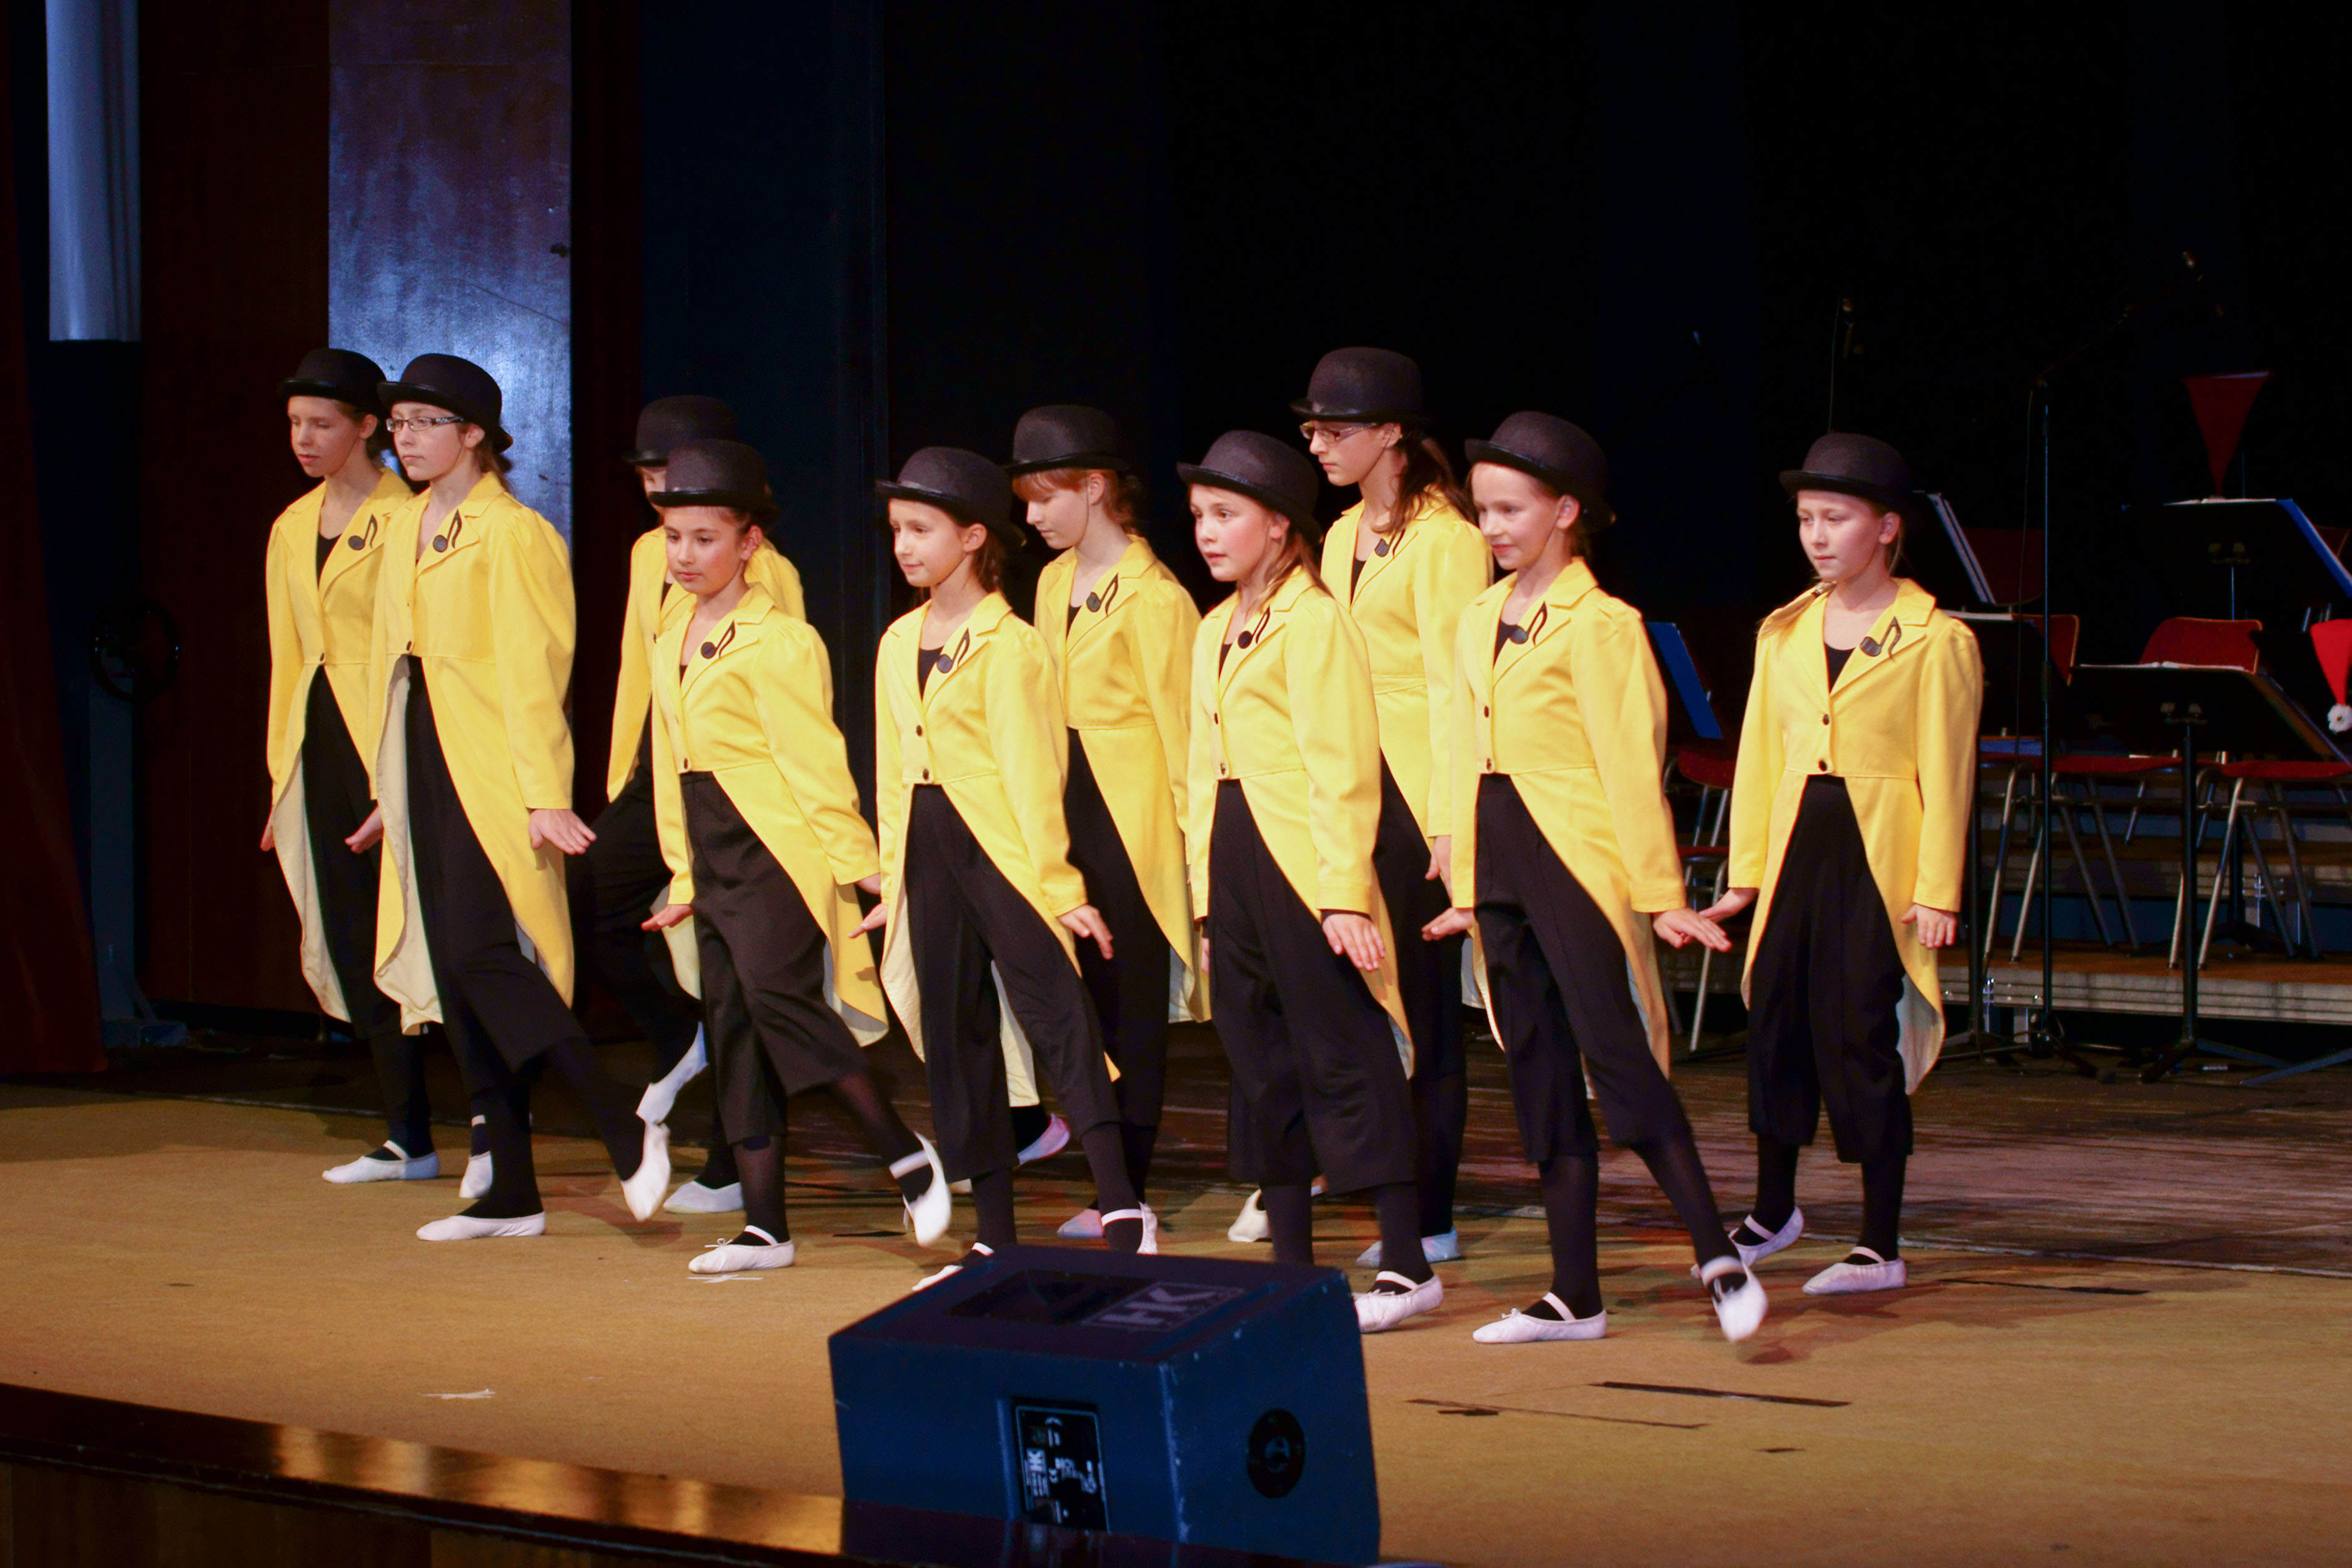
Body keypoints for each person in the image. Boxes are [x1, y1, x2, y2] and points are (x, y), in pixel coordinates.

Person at [1424, 413, 1765, 1344]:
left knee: (1615, 1055)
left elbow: (1631, 766)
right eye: (1483, 509)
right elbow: (1456, 743)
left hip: (1573, 856)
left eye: (1510, 508)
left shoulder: (1603, 624)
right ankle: (1574, 1292)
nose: (1492, 527)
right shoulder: (1475, 617)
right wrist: (1462, 880)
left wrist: (1660, 897)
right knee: (1535, 1068)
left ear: (1566, 511)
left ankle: (1716, 1253)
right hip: (1499, 856)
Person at [363, 354, 670, 1240]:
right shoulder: (406, 522)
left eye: (425, 422)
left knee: (481, 955)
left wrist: (542, 791)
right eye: (399, 423)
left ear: (473, 435)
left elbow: (539, 669)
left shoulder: (513, 531)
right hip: (422, 752)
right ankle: (511, 1189)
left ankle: (620, 1125)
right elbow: (392, 661)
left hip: (492, 761)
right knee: (455, 971)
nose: (406, 438)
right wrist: (389, 785)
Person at [637, 440, 948, 1273]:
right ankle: (765, 1225)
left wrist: (862, 866)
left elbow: (817, 766)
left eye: (706, 538)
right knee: (734, 1031)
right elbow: (672, 768)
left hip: (775, 851)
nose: (685, 554)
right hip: (713, 856)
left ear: (750, 543)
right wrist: (682, 874)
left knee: (783, 1006)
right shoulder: (669, 635)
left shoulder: (780, 640)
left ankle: (906, 1153)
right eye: (674, 537)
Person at [1699, 434, 1983, 1295]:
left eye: (1836, 518)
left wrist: (1937, 890)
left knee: (1857, 1030)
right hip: (1799, 839)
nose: (1817, 536)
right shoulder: (1785, 630)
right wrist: (1747, 872)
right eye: (1805, 519)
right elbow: (1760, 755)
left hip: (1875, 847)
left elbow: (1949, 771)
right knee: (1776, 1017)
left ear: (1887, 527)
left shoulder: (1935, 638)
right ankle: (1772, 1208)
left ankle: (1878, 1241)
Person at [856, 446, 1148, 1285]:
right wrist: (893, 878)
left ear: (974, 536)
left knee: (1059, 1016)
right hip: (927, 848)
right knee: (956, 1035)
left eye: (921, 529)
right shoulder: (897, 640)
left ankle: (1123, 1206)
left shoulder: (1012, 645)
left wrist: (1058, 886)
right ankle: (994, 1234)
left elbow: (1034, 777)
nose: (904, 546)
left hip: (1000, 848)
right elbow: (891, 773)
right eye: (897, 531)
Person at [1182, 430, 1436, 1333]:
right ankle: (1290, 1268)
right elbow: (1199, 772)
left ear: (1279, 525)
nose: (1207, 532)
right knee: (1261, 1063)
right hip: (1234, 859)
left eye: (1226, 514)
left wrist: (1342, 893)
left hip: (1303, 864)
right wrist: (1204, 904)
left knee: (1346, 1053)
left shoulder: (1316, 619)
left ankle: (1407, 1262)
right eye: (1200, 516)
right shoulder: (1213, 627)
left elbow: (1343, 767)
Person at [580, 395, 806, 1216]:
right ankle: (681, 1036)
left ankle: (730, 1163)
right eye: (646, 474)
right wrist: (623, 778)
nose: (654, 488)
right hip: (658, 774)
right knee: (593, 900)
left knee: (738, 975)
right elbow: (634, 670)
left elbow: (786, 697)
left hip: (729, 787)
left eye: (667, 473)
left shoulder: (766, 568)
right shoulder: (651, 550)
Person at [1296, 347, 1488, 1268]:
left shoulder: (1448, 540)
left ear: (1390, 433)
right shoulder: (1340, 534)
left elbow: (1461, 688)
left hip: (1416, 794)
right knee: (1354, 1006)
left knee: (1426, 1010)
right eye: (1312, 429)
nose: (1317, 444)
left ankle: (1432, 1212)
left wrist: (1452, 818)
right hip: (1348, 788)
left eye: (1335, 429)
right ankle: (1379, 1192)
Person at [1009, 405, 1201, 1249]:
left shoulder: (1157, 598)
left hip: (1133, 820)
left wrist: (1196, 854)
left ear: (1094, 487)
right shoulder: (1053, 582)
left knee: (1129, 1007)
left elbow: (1186, 738)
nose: (1031, 516)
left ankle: (1131, 1188)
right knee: (1074, 998)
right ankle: (1106, 1180)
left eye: (1044, 496)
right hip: (1065, 804)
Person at [261, 348, 430, 1183]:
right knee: (351, 928)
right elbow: (287, 657)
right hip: (320, 742)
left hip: (385, 743)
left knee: (415, 931)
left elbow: (416, 656)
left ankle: (470, 1126)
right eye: (296, 423)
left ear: (367, 426)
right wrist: (282, 777)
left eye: (321, 423)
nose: (304, 438)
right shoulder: (291, 526)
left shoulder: (408, 518)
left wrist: (397, 777)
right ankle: (405, 1134)